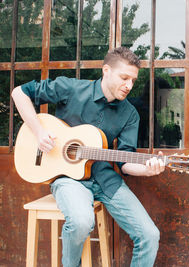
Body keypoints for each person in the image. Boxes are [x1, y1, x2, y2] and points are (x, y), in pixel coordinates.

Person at [12, 47, 164, 267]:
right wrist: (38, 131)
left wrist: (148, 169)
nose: (129, 86)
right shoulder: (71, 88)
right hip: (68, 179)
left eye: (132, 80)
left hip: (106, 180)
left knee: (150, 235)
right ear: (106, 70)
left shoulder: (130, 114)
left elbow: (126, 162)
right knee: (82, 222)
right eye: (124, 78)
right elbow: (19, 92)